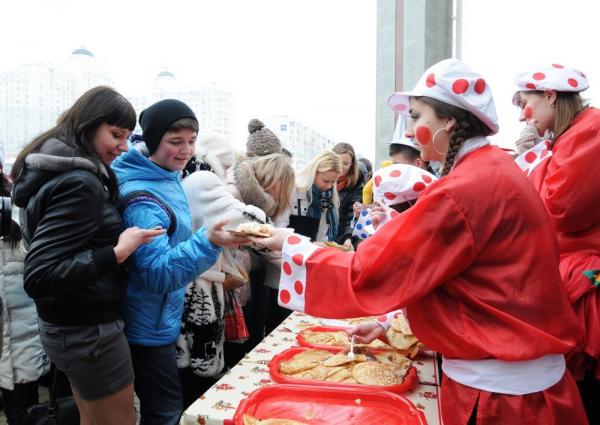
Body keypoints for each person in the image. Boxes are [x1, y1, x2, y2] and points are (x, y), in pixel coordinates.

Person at [252, 59, 588, 425]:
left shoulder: (466, 187)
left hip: (503, 400)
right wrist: (391, 322)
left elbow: (374, 270)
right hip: (515, 384)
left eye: (415, 116)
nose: (409, 130)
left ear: (448, 122)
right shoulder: (488, 170)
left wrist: (289, 244)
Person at [11, 86, 164, 425]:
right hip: (88, 331)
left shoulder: (56, 173)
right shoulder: (80, 183)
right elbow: (40, 276)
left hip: (69, 327)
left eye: (127, 136)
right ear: (89, 125)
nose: (123, 146)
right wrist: (119, 251)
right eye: (115, 134)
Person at [112, 99, 248, 424]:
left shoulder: (164, 176)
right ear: (154, 140)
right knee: (164, 411)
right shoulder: (143, 198)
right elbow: (157, 273)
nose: (186, 149)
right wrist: (207, 241)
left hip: (162, 315)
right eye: (176, 142)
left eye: (191, 140)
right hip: (146, 325)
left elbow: (172, 246)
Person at [512, 64, 600, 423]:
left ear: (550, 95)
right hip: (580, 275)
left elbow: (559, 208)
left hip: (587, 280)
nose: (522, 115)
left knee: (584, 385)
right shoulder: (576, 134)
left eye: (525, 102)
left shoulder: (590, 132)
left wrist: (533, 163)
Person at [176, 131, 277, 406]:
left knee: (184, 371)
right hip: (201, 290)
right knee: (200, 372)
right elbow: (244, 218)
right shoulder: (204, 180)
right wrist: (280, 235)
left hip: (186, 286)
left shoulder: (184, 179)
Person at [288, 150, 342, 243]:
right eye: (325, 181)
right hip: (288, 248)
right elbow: (281, 224)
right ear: (315, 172)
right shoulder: (294, 189)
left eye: (333, 182)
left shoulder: (328, 198)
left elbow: (321, 233)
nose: (329, 186)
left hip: (310, 251)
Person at [331, 143, 365, 249]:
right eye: (338, 162)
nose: (341, 167)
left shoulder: (357, 183)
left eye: (345, 163)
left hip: (342, 237)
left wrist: (348, 237)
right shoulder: (323, 178)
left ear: (352, 164)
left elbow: (352, 214)